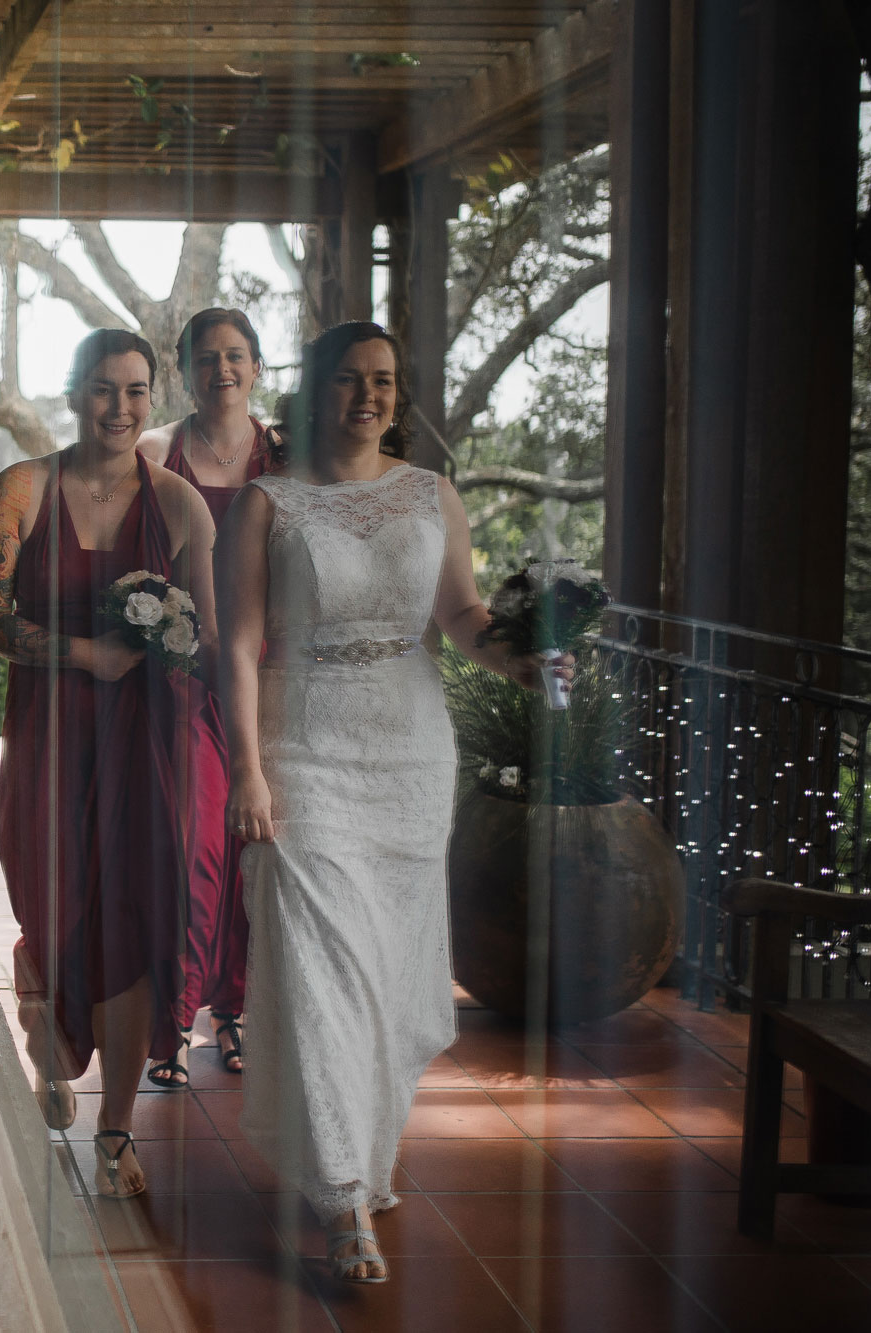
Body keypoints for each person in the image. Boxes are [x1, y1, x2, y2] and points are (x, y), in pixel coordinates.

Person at [218, 321, 572, 1284]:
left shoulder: (432, 495)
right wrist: (246, 769)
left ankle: (365, 1154)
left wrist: (521, 658)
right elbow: (238, 645)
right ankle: (341, 1201)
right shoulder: (265, 505)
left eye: (384, 379)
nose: (368, 396)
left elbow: (458, 618)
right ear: (315, 391)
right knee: (321, 966)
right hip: (307, 754)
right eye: (348, 379)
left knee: (388, 977)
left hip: (414, 758)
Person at [0, 328, 217, 1199]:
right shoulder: (22, 490)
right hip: (49, 736)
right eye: (104, 390)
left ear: (155, 399)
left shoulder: (182, 504)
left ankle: (117, 1131)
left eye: (137, 391)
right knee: (55, 904)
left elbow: (208, 641)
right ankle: (45, 1020)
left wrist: (167, 643)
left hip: (149, 743)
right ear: (74, 394)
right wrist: (83, 652)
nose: (121, 408)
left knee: (139, 921)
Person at [136, 308, 272, 1084]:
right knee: (196, 846)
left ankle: (237, 1007)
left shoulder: (284, 453)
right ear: (184, 370)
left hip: (269, 666)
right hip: (186, 677)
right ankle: (173, 1019)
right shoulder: (159, 452)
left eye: (236, 355)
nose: (222, 369)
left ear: (256, 365)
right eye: (206, 358)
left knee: (259, 850)